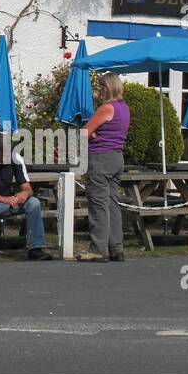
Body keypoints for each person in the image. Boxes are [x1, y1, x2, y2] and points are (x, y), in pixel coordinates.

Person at [0, 133, 54, 261]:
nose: (5, 158)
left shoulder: (16, 158)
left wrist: (22, 195)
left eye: (7, 154)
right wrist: (3, 199)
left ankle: (36, 249)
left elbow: (28, 189)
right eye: (2, 154)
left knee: (33, 202)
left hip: (3, 203)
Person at [77, 73, 130, 263]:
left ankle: (98, 249)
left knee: (98, 204)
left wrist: (89, 134)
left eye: (100, 87)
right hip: (117, 156)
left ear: (107, 88)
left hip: (101, 157)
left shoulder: (106, 108)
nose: (98, 91)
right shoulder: (124, 108)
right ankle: (116, 247)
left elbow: (84, 132)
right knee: (111, 203)